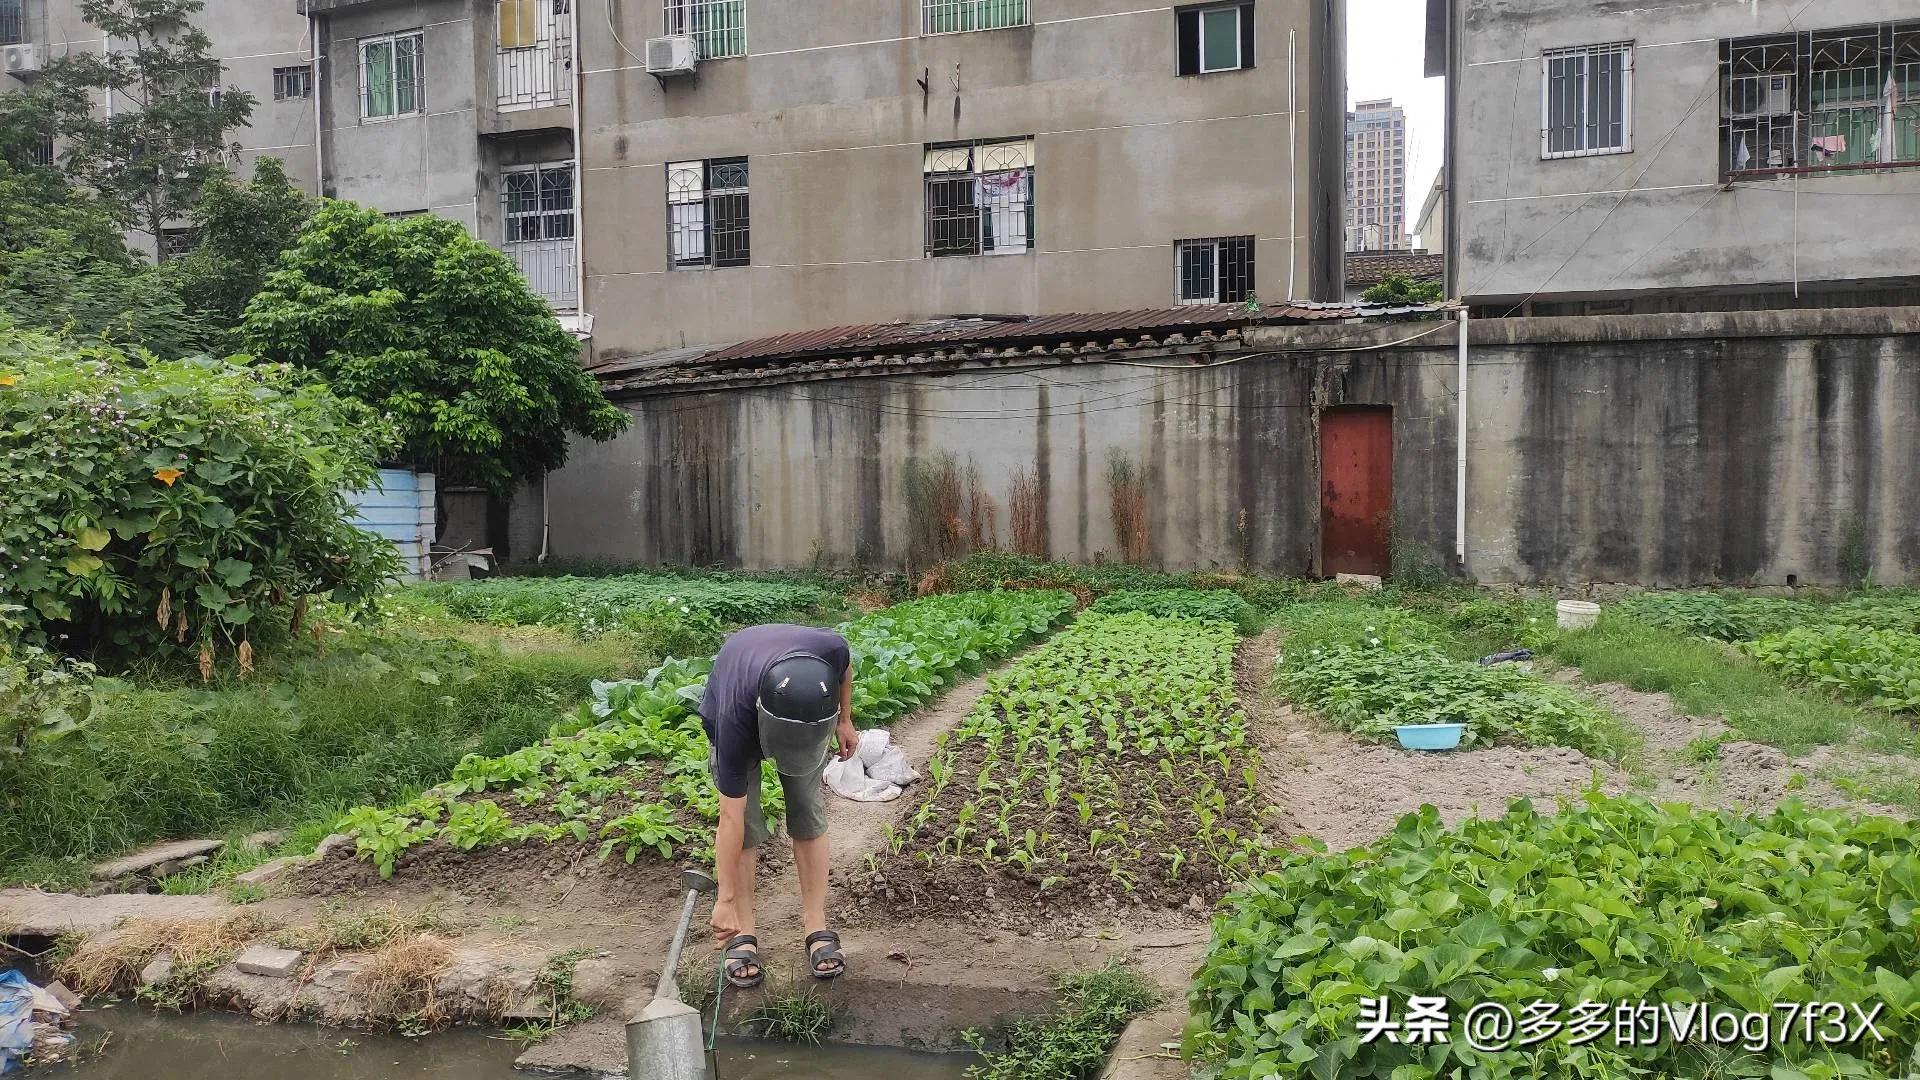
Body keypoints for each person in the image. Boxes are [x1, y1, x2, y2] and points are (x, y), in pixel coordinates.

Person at [697, 623, 858, 987]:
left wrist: (844, 719)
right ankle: (743, 932)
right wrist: (723, 900)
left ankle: (816, 925)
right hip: (738, 699)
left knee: (807, 809)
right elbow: (731, 820)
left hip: (808, 716)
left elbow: (845, 669)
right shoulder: (732, 723)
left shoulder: (830, 647)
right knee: (747, 823)